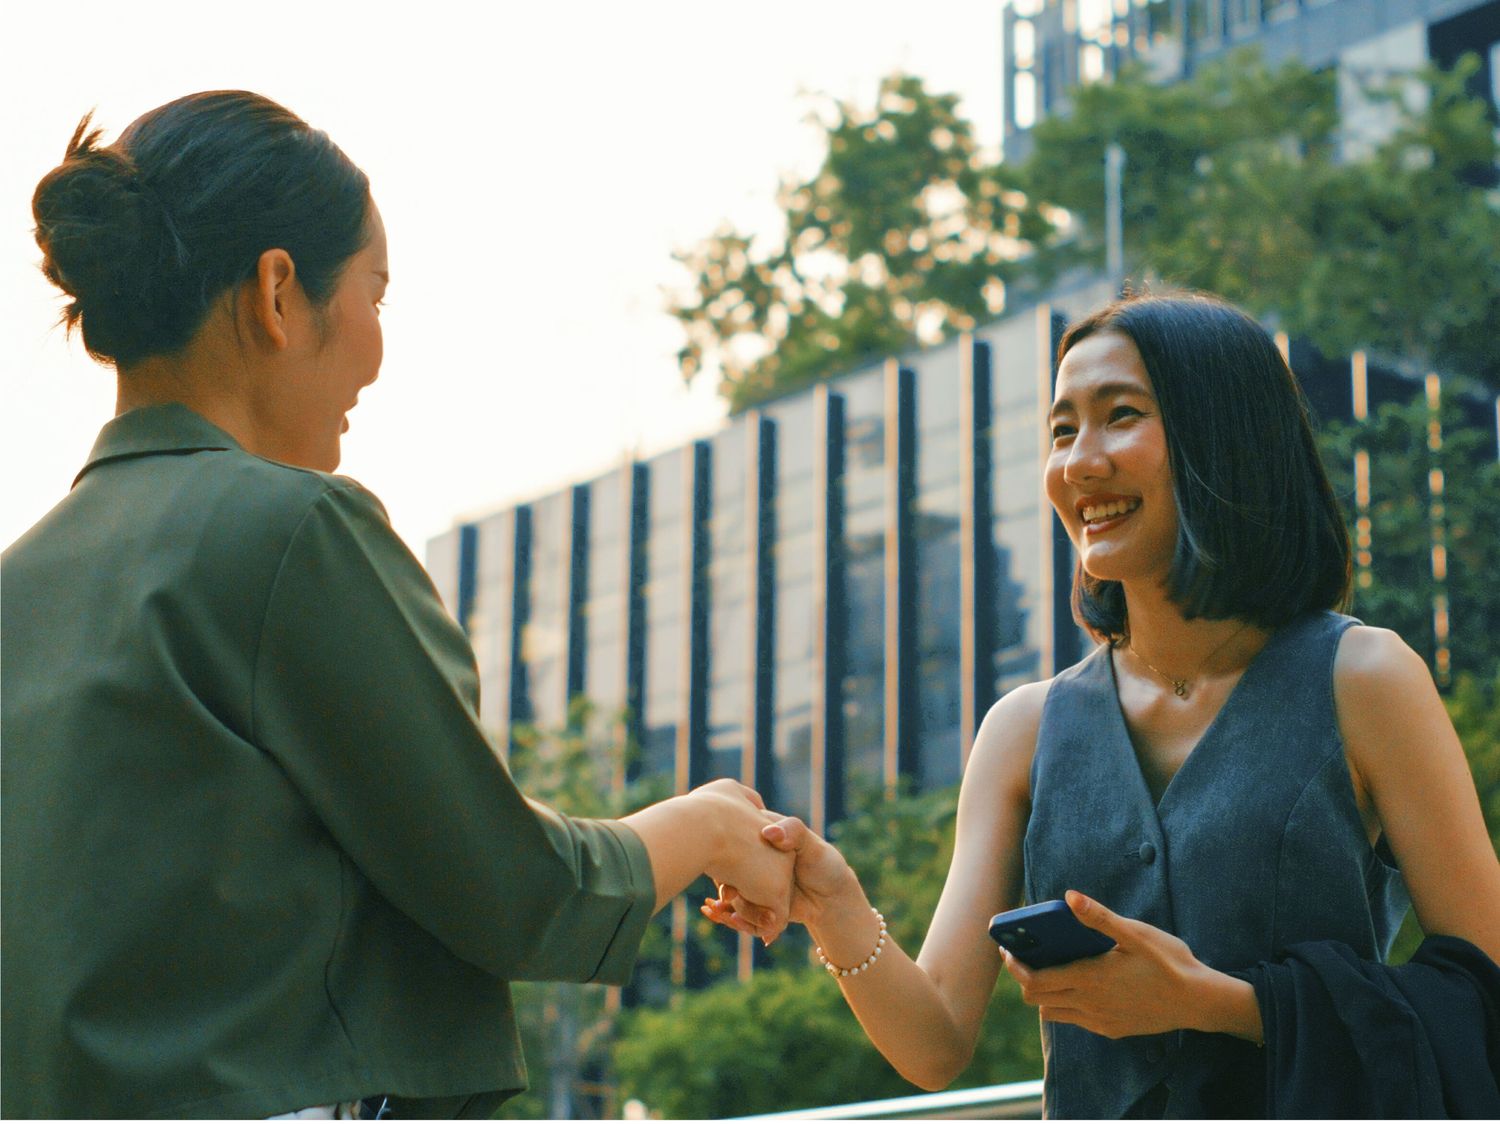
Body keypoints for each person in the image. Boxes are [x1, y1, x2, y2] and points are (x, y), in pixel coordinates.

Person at [1, 91, 791, 1119]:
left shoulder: (20, 582)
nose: (375, 353)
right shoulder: (291, 530)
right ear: (279, 291)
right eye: (375, 293)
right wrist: (711, 823)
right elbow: (513, 889)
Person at [705, 292, 1500, 1116]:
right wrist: (835, 906)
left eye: (1120, 416)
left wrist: (1223, 1004)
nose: (1079, 463)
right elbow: (936, 1039)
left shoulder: (1364, 679)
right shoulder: (1023, 730)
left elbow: (1485, 991)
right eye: (1061, 430)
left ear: (1223, 435)